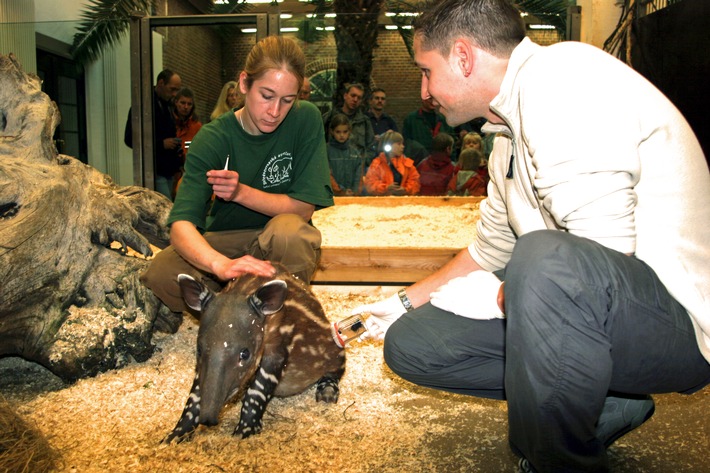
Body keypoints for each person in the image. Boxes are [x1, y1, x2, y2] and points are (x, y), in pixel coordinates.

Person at [351, 1, 710, 472]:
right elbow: (490, 249)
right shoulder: (505, 130)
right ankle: (608, 403)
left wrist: (502, 296)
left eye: (425, 71)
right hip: (602, 308)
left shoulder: (562, 80)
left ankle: (562, 462)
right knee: (414, 343)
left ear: (463, 57)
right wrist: (400, 303)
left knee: (542, 260)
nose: (424, 90)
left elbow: (590, 259)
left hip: (679, 323)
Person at [140, 35, 334, 332]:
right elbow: (181, 226)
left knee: (291, 233)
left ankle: (286, 317)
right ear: (244, 84)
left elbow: (303, 208)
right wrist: (221, 265)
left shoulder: (305, 119)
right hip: (225, 239)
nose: (274, 112)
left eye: (287, 100)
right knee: (161, 272)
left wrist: (241, 192)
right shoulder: (212, 137)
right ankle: (226, 309)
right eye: (266, 96)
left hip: (276, 240)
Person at [124, 69, 183, 199]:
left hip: (168, 169)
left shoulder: (167, 106)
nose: (174, 94)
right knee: (165, 208)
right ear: (161, 83)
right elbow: (130, 138)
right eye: (172, 89)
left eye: (177, 90)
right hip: (154, 170)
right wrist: (161, 144)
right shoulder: (144, 106)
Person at [322, 83, 376, 164]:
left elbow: (371, 147)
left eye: (359, 98)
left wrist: (362, 163)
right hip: (334, 166)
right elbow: (320, 143)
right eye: (353, 95)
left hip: (357, 168)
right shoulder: (330, 118)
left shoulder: (364, 121)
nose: (355, 100)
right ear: (345, 96)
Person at [364, 131, 420, 196]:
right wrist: (386, 188)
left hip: (404, 202)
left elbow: (415, 181)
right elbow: (370, 184)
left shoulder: (407, 163)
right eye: (399, 144)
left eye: (402, 144)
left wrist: (405, 190)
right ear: (389, 145)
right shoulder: (377, 164)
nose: (403, 146)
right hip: (383, 203)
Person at [327, 113, 364, 196]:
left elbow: (359, 178)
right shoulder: (325, 151)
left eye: (345, 132)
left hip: (352, 197)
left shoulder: (355, 153)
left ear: (349, 131)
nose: (342, 135)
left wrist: (355, 192)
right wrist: (341, 191)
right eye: (338, 132)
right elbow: (326, 175)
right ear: (332, 131)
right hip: (332, 197)